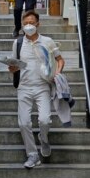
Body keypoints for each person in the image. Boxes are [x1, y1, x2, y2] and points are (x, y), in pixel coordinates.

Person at [8, 11, 65, 169]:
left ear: (38, 24)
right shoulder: (18, 43)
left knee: (44, 120)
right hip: (24, 87)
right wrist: (12, 67)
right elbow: (14, 67)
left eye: (32, 23)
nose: (28, 26)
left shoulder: (48, 42)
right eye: (26, 23)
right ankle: (32, 155)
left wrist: (57, 73)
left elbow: (60, 60)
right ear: (22, 25)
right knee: (24, 123)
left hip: (42, 87)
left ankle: (43, 137)